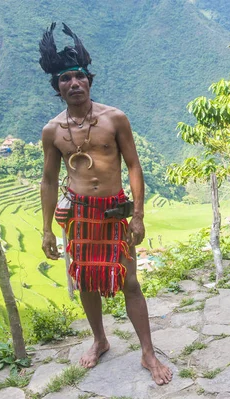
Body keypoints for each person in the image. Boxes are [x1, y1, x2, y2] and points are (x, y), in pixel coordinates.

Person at [38, 23, 172, 385]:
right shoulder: (53, 130)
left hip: (115, 211)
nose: (73, 84)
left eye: (79, 76)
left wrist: (139, 215)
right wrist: (47, 229)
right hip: (78, 214)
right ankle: (99, 340)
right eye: (65, 79)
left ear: (89, 81)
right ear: (58, 87)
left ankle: (147, 352)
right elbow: (49, 180)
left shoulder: (115, 118)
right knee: (84, 281)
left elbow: (133, 165)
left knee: (130, 281)